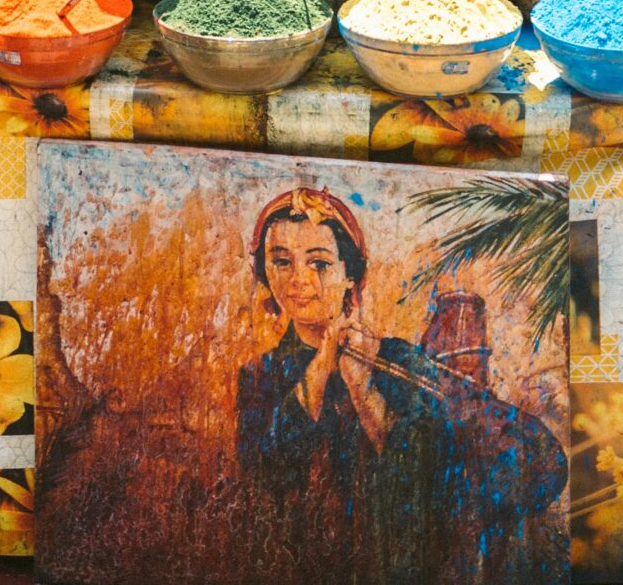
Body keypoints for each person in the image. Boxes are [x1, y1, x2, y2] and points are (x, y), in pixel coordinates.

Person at [235, 185, 567, 585]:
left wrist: (363, 390)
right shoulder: (260, 375)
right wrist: (321, 368)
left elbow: (435, 476)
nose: (299, 279)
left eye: (319, 264)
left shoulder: (396, 361)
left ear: (349, 275)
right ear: (265, 273)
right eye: (281, 261)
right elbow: (267, 474)